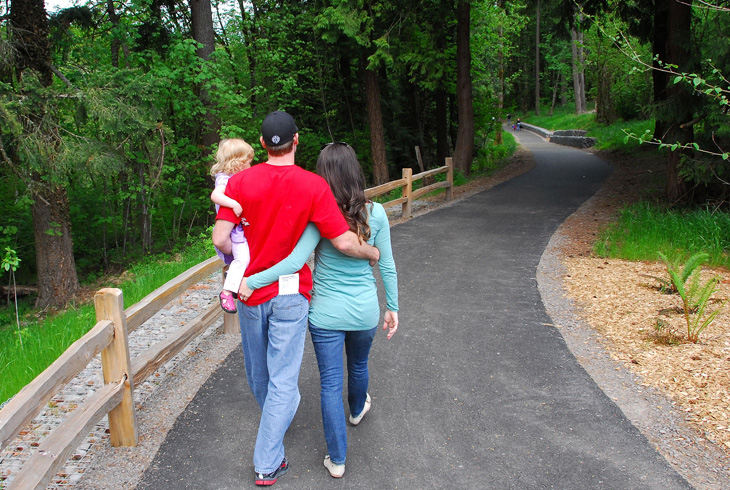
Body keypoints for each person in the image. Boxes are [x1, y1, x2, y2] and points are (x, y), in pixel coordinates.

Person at [212, 112, 380, 487]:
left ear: (261, 144)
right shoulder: (314, 186)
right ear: (297, 141)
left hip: (250, 294)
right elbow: (342, 240)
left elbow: (220, 238)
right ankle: (270, 451)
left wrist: (236, 266)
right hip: (292, 294)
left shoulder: (238, 182)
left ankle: (270, 449)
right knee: (282, 380)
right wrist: (372, 254)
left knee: (260, 374)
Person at [240, 141, 399, 479]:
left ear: (323, 176)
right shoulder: (379, 213)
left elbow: (295, 261)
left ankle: (337, 460)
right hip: (365, 310)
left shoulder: (320, 214)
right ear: (356, 170)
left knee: (330, 384)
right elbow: (387, 265)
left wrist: (253, 280)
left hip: (325, 313)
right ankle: (357, 410)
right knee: (358, 365)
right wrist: (393, 307)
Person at [209, 138, 254, 314]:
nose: (250, 166)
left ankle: (234, 279)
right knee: (243, 258)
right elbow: (216, 195)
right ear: (237, 162)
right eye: (248, 163)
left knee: (245, 258)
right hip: (233, 230)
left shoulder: (234, 178)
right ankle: (227, 291)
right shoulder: (224, 180)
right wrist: (233, 204)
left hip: (237, 227)